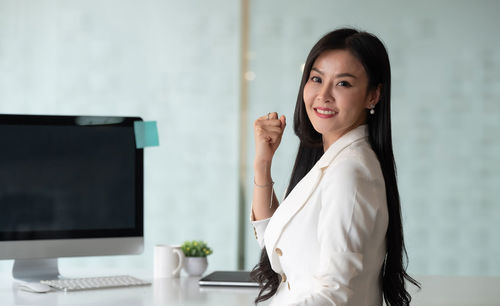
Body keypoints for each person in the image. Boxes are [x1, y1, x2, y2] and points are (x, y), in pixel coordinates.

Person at [249, 28, 420, 306]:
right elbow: (276, 243)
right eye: (317, 79)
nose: (323, 95)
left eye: (343, 84)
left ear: (373, 96)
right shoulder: (334, 161)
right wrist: (263, 163)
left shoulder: (349, 173)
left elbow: (335, 295)